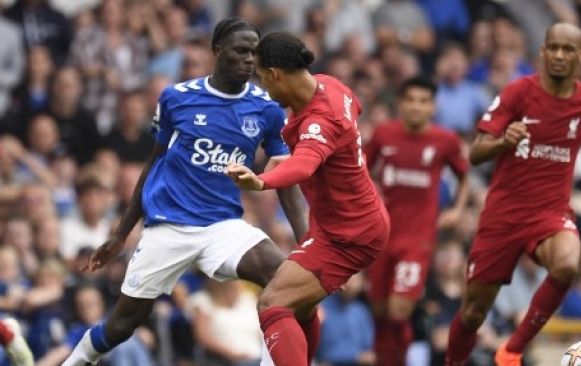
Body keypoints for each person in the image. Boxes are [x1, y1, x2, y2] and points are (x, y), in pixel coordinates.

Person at [61, 18, 306, 366]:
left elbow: (286, 177)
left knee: (285, 280)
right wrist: (120, 235)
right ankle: (74, 362)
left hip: (222, 226)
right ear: (217, 51)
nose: (250, 59)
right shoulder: (177, 98)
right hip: (169, 227)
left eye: (254, 52)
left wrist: (306, 243)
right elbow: (153, 164)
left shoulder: (266, 108)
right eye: (241, 51)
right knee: (122, 325)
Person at [445, 22, 581, 366]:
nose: (558, 55)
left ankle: (512, 350)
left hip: (550, 213)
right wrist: (503, 141)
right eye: (553, 47)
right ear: (542, 51)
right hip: (503, 216)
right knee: (474, 312)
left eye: (568, 50)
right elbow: (475, 153)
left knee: (567, 264)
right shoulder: (518, 93)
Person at [227, 31, 390, 366]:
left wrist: (261, 181)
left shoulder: (320, 119)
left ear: (275, 75)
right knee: (298, 305)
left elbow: (304, 165)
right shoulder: (331, 85)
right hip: (343, 223)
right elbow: (345, 123)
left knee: (272, 303)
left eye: (262, 78)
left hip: (348, 233)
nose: (264, 89)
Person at [364, 76, 469, 366]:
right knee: (381, 311)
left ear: (433, 107)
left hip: (418, 239)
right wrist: (372, 193)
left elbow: (464, 174)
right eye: (410, 100)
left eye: (423, 101)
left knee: (399, 309)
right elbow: (360, 170)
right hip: (382, 236)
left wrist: (458, 209)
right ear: (401, 103)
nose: (416, 107)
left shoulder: (445, 141)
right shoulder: (384, 134)